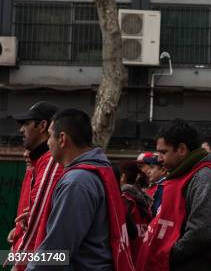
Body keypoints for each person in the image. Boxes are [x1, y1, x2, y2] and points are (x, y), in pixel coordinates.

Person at [27, 108, 133, 271]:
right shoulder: (100, 169)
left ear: (62, 139)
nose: (48, 142)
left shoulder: (77, 182)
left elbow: (57, 250)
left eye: (49, 135)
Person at [136, 119, 211, 271]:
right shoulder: (182, 175)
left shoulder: (205, 178)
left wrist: (168, 254)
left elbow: (201, 235)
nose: (159, 159)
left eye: (163, 152)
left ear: (181, 149)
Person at [9, 102, 64, 270]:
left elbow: (38, 228)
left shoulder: (51, 163)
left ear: (43, 126)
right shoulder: (37, 162)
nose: (21, 130)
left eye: (26, 123)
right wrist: (19, 231)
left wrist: (18, 262)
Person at [119, 161, 153, 261]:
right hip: (143, 251)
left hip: (130, 254)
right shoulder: (145, 198)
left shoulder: (124, 199)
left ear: (123, 177)